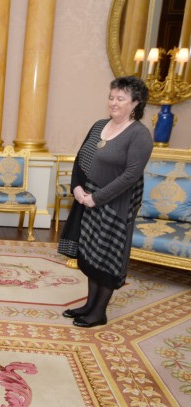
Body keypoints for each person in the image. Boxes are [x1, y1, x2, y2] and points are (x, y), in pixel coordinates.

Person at [58, 76, 153, 328]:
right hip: (87, 200)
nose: (113, 102)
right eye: (111, 97)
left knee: (107, 259)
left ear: (135, 103)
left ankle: (99, 313)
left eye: (120, 98)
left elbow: (131, 176)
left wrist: (96, 199)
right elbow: (81, 158)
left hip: (115, 207)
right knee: (90, 255)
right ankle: (89, 305)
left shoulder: (139, 135)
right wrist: (77, 187)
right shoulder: (99, 124)